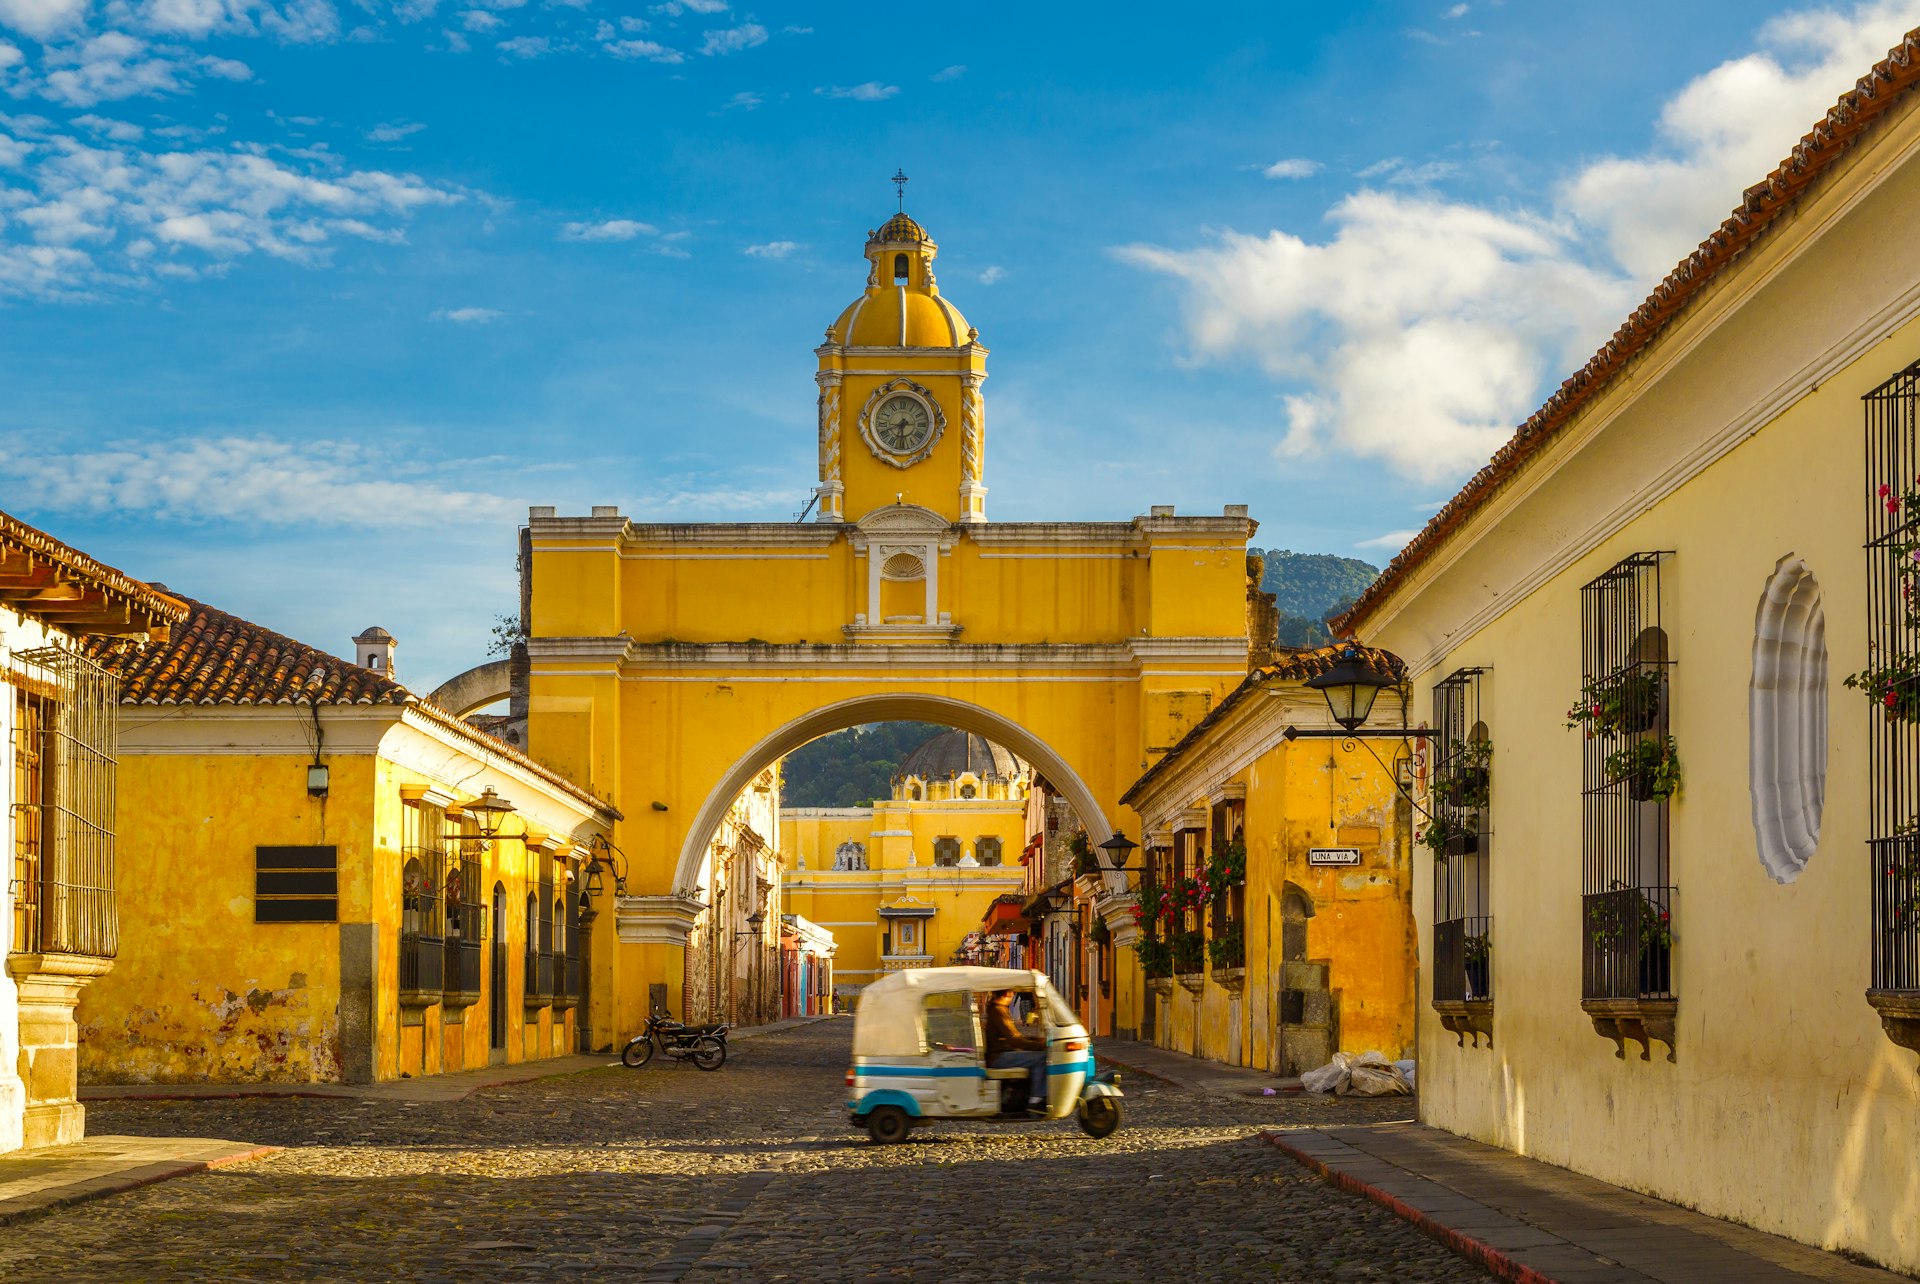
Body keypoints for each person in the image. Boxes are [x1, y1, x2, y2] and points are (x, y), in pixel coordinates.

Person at [982, 989, 1047, 1110]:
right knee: (1042, 1057)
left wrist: (1035, 1040)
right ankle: (1036, 1099)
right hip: (999, 1057)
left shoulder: (997, 1009)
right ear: (1008, 993)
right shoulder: (998, 1011)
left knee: (1037, 1054)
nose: (1013, 995)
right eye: (1012, 992)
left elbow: (1015, 1036)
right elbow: (1014, 1040)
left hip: (1002, 1053)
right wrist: (1041, 1046)